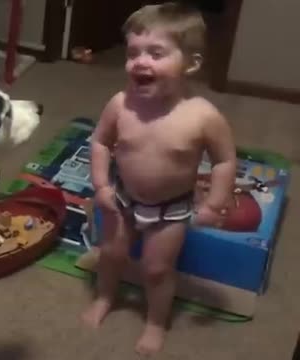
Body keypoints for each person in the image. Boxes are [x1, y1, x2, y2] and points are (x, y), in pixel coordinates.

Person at [82, 2, 237, 355]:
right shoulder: (120, 104)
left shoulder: (203, 116)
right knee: (111, 254)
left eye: (156, 53)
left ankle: (155, 321)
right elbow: (101, 142)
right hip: (122, 197)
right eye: (133, 52)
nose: (140, 61)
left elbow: (224, 160)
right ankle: (105, 297)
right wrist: (102, 184)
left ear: (190, 64)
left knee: (156, 269)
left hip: (171, 209)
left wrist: (215, 202)